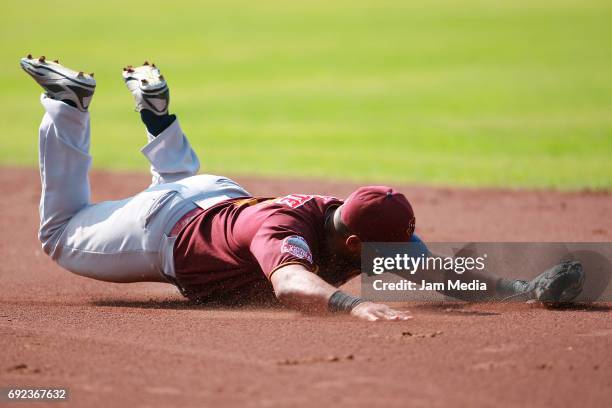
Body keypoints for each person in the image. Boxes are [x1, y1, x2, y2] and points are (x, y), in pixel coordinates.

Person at [20, 55, 585, 322]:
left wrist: (520, 286)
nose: (397, 255)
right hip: (162, 228)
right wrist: (351, 303)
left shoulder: (349, 219)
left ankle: (158, 119)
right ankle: (67, 109)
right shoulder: (285, 232)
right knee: (61, 235)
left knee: (183, 183)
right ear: (359, 243)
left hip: (210, 193)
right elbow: (291, 283)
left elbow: (427, 265)